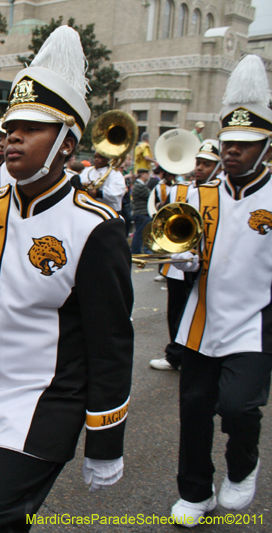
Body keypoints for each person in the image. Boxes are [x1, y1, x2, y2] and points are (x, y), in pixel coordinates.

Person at [0, 26, 133, 532]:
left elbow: (113, 343)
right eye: (10, 125)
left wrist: (105, 438)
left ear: (66, 143)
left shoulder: (95, 227)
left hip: (47, 405)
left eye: (31, 127)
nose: (12, 135)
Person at [167, 54, 272, 526]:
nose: (232, 151)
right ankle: (195, 492)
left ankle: (243, 465)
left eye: (245, 145)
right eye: (228, 142)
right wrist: (184, 261)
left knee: (239, 407)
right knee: (193, 412)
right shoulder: (198, 195)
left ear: (267, 147)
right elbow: (182, 252)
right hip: (201, 321)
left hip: (254, 324)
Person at [149, 140, 222, 372]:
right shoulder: (178, 190)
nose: (200, 168)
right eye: (198, 163)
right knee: (176, 309)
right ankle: (175, 355)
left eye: (207, 164)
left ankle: (200, 355)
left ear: (218, 168)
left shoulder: (222, 194)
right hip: (182, 260)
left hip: (210, 262)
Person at [130, 168, 152, 254]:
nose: (148, 175)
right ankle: (135, 252)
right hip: (141, 212)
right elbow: (149, 195)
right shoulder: (139, 186)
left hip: (142, 212)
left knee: (140, 233)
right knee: (139, 234)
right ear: (142, 174)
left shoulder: (140, 185)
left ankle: (136, 251)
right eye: (147, 173)